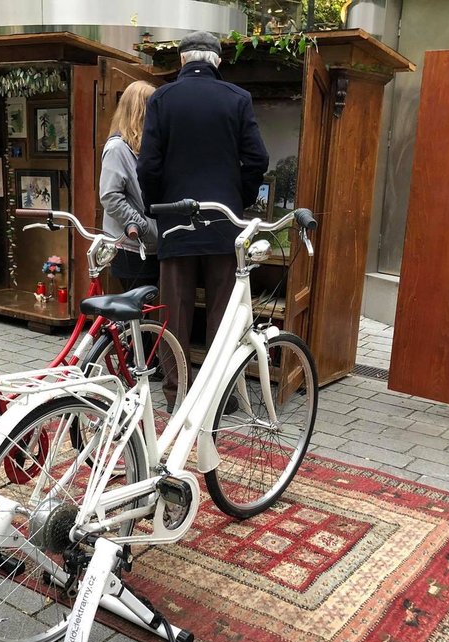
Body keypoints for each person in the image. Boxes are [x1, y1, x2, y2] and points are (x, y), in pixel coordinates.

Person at [137, 30, 269, 409]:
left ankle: (177, 394)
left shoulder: (162, 99)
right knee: (223, 313)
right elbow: (257, 158)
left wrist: (157, 207)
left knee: (173, 314)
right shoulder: (237, 99)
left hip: (176, 221)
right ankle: (217, 394)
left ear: (181, 61)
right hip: (224, 223)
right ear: (217, 61)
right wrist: (237, 199)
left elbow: (148, 164)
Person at [99, 80, 159, 291]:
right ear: (142, 110)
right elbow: (110, 196)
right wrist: (140, 226)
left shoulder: (141, 147)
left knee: (140, 314)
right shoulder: (117, 148)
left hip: (147, 245)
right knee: (134, 313)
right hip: (131, 245)